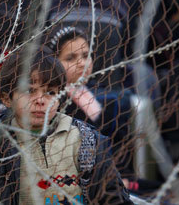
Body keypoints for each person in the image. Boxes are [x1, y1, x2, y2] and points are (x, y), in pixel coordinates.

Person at [0, 47, 132, 204]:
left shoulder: (86, 140)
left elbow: (112, 196)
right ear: (6, 98)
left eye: (50, 92)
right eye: (29, 91)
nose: (41, 100)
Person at [32, 0, 153, 89]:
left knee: (61, 87)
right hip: (108, 21)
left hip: (64, 17)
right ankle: (99, 109)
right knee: (107, 93)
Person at [44, 25, 134, 177]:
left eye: (86, 55)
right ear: (54, 63)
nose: (82, 63)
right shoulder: (57, 102)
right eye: (70, 58)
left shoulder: (92, 92)